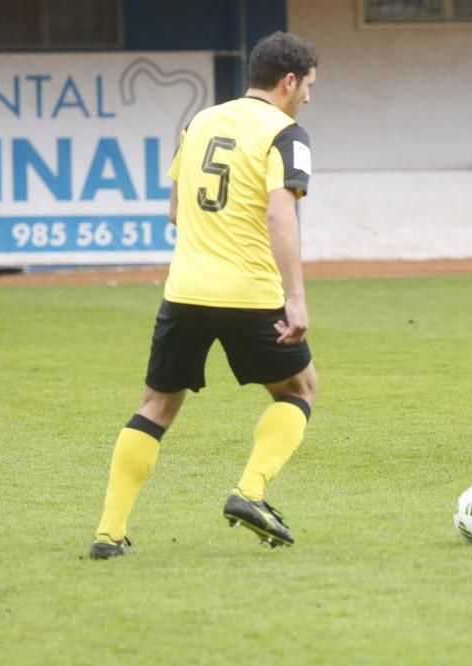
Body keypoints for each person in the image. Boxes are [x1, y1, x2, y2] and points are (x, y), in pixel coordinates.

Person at [89, 31, 319, 558]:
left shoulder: (200, 121)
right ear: (289, 81)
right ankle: (251, 492)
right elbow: (280, 211)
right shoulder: (288, 133)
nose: (309, 95)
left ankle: (109, 533)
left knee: (157, 406)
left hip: (186, 290)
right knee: (300, 390)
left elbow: (174, 210)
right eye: (308, 85)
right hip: (251, 292)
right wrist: (296, 297)